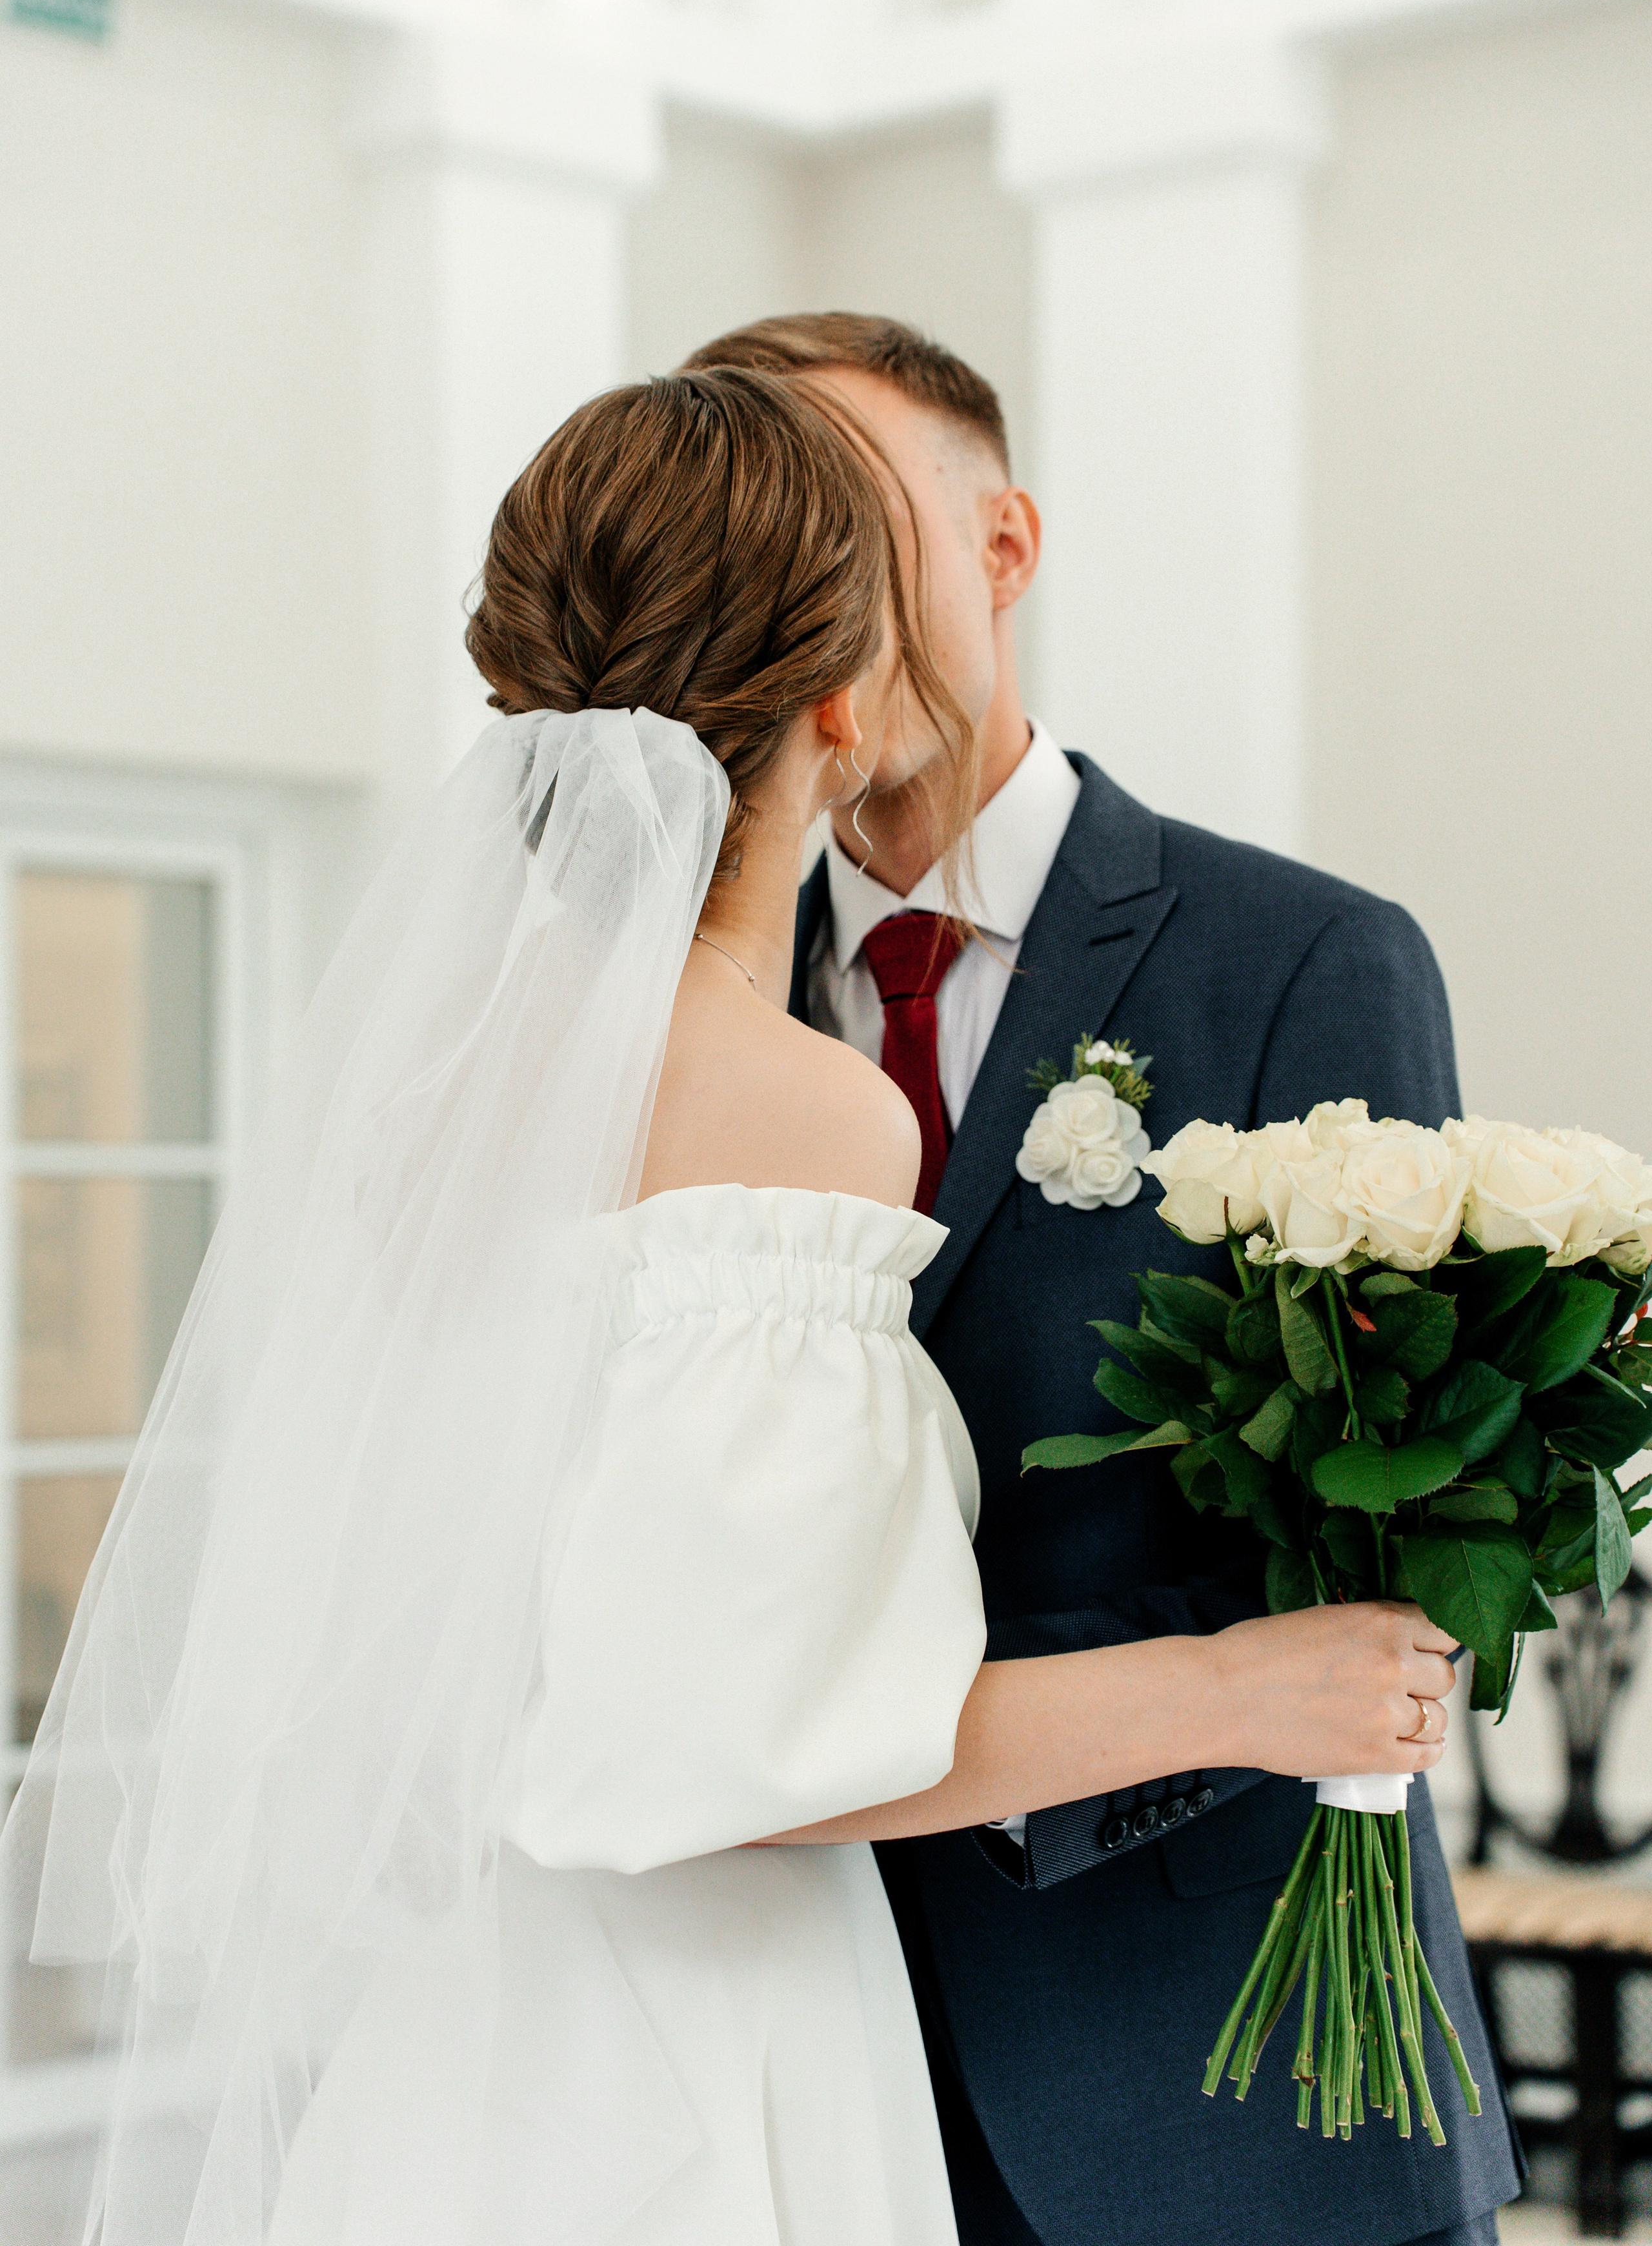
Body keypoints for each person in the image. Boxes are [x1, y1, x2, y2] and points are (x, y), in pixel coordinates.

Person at [5, 368, 1456, 2246]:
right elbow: (748, 1745)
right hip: (701, 2028)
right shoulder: (805, 1104)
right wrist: (1237, 1686)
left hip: (483, 2008)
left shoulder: (423, 1104)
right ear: (840, 707)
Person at [684, 315, 1524, 2246]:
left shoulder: (1309, 959)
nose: (822, 609)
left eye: (860, 531)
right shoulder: (695, 1024)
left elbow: (1367, 1576)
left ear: (1005, 547)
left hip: (1232, 2089)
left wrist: (892, 1738)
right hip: (811, 2082)